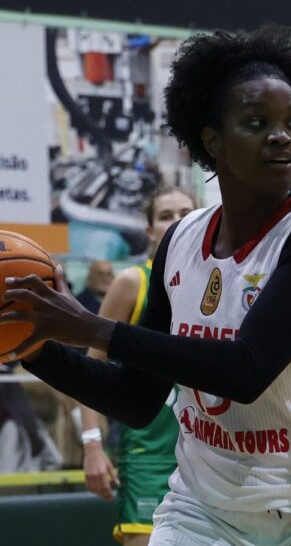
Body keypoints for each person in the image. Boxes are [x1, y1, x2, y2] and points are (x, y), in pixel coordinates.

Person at [0, 26, 291, 546]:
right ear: (212, 141)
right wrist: (37, 351)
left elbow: (245, 368)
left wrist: (90, 326)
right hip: (204, 513)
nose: (282, 136)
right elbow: (139, 399)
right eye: (257, 123)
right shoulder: (181, 240)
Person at [79, 187, 199, 545]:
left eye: (185, 212)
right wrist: (92, 445)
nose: (177, 221)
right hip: (150, 458)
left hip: (212, 458)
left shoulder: (219, 283)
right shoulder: (133, 282)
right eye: (165, 216)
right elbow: (91, 367)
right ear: (149, 230)